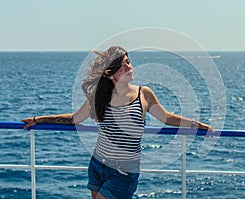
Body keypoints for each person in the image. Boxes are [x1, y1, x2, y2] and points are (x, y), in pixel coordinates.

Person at [22, 46, 214, 199]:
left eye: (128, 62)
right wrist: (38, 120)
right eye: (122, 65)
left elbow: (166, 118)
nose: (129, 67)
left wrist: (196, 125)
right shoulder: (99, 96)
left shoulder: (143, 94)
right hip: (98, 166)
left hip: (123, 173)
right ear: (109, 73)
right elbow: (74, 119)